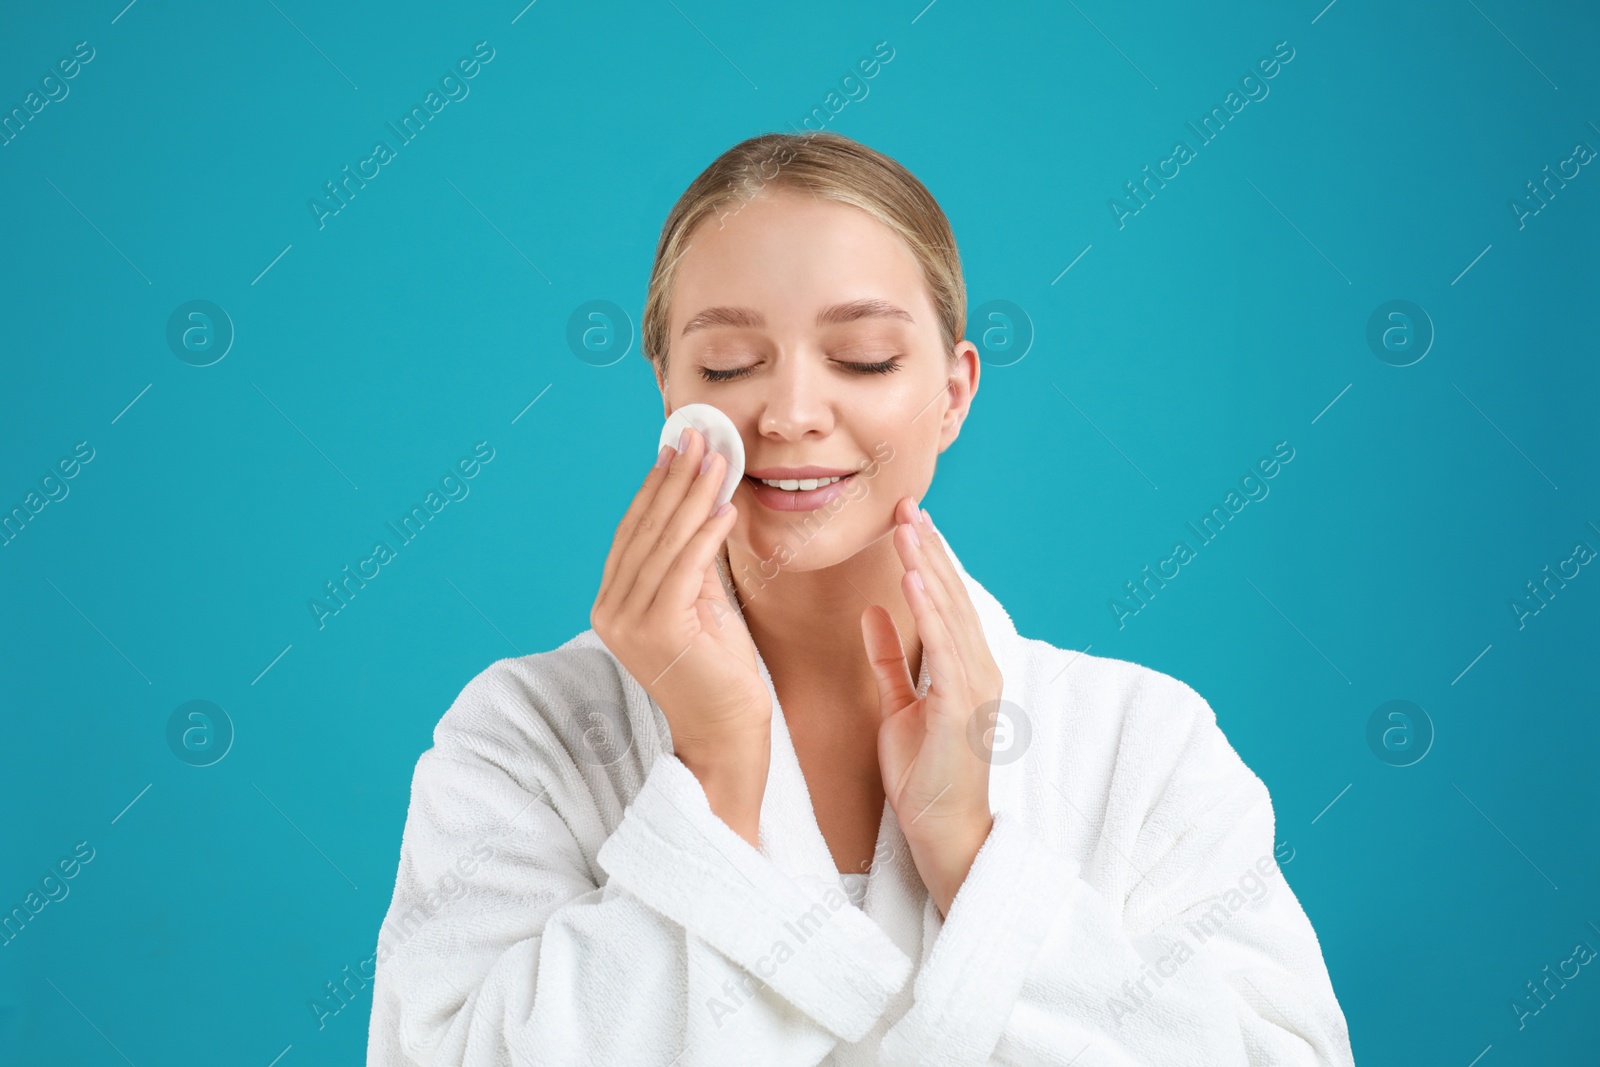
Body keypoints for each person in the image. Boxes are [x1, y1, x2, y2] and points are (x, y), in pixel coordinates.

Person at [367, 130, 1356, 1066]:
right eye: (727, 364)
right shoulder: (528, 736)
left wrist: (972, 854)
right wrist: (714, 778)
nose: (792, 413)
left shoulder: (1139, 745)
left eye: (866, 358)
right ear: (667, 387)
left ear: (954, 391)